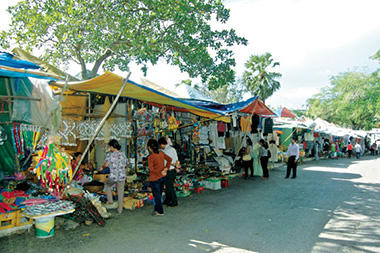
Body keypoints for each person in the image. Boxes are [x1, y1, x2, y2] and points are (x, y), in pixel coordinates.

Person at [147, 139, 172, 216]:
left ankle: (160, 211)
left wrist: (159, 172)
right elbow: (169, 160)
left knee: (157, 195)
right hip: (162, 177)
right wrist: (166, 168)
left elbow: (151, 169)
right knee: (159, 194)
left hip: (154, 178)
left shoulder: (151, 157)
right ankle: (157, 209)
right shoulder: (161, 153)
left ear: (149, 148)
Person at [102, 139, 127, 214]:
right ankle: (120, 210)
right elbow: (126, 164)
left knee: (107, 184)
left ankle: (110, 200)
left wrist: (102, 166)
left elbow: (106, 165)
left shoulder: (110, 154)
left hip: (113, 176)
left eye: (110, 147)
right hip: (122, 176)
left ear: (112, 147)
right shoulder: (123, 154)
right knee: (120, 192)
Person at [158, 137, 178, 207]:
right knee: (168, 186)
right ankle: (167, 200)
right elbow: (176, 160)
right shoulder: (172, 149)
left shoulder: (166, 151)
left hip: (169, 171)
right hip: (172, 170)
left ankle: (174, 201)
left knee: (169, 187)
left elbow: (168, 161)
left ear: (161, 144)